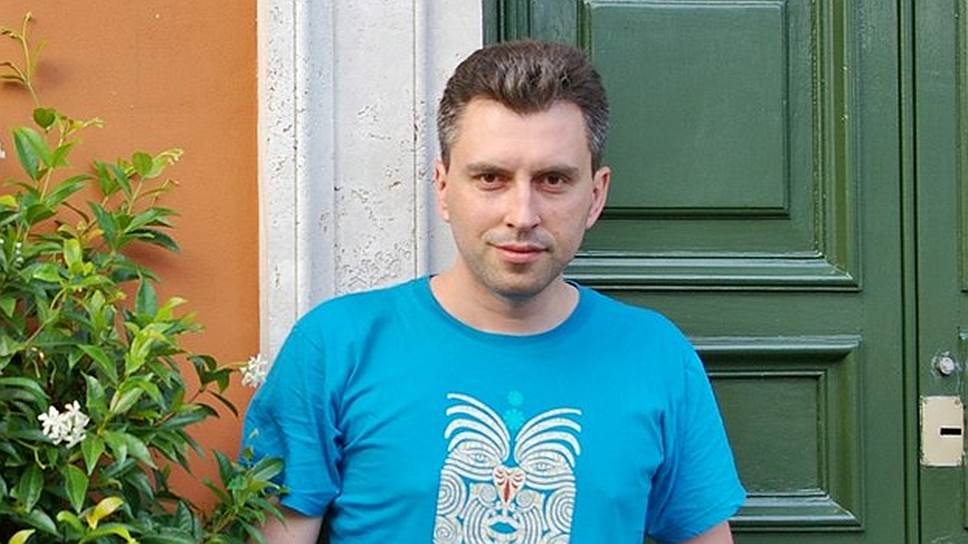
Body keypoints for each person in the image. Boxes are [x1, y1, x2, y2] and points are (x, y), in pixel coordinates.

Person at [243, 39, 746, 543]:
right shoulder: (336, 347)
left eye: (553, 179)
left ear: (596, 195)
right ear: (443, 188)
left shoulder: (655, 356)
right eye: (491, 178)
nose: (522, 215)